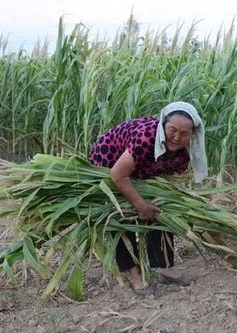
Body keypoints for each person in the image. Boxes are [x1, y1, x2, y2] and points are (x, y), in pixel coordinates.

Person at [89, 101, 208, 295]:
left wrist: (164, 199)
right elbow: (117, 175)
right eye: (172, 130)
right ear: (163, 125)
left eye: (185, 133)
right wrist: (139, 203)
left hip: (143, 170)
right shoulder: (145, 139)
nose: (177, 137)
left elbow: (170, 178)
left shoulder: (184, 151)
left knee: (160, 208)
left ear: (192, 133)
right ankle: (134, 276)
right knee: (121, 216)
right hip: (109, 166)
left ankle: (164, 269)